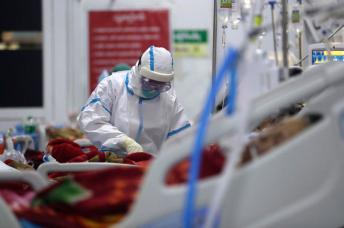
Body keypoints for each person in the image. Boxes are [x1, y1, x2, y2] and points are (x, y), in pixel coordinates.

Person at [78, 46, 191, 155]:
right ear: (139, 71)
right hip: (113, 161)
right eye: (149, 82)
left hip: (149, 166)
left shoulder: (169, 99)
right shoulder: (112, 85)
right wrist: (122, 141)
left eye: (160, 85)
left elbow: (181, 136)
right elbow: (91, 121)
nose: (154, 89)